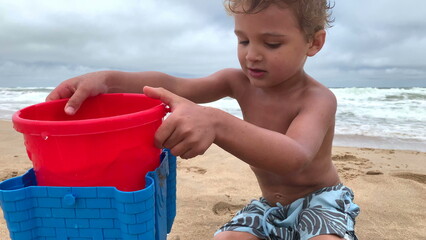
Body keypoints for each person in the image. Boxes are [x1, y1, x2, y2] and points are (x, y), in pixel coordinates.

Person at [47, 0, 359, 239]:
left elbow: (294, 156)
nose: (252, 55)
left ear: (314, 43)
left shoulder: (317, 99)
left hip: (321, 201)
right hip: (271, 207)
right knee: (227, 237)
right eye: (243, 40)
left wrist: (217, 122)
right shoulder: (237, 82)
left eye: (272, 43)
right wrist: (108, 80)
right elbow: (176, 85)